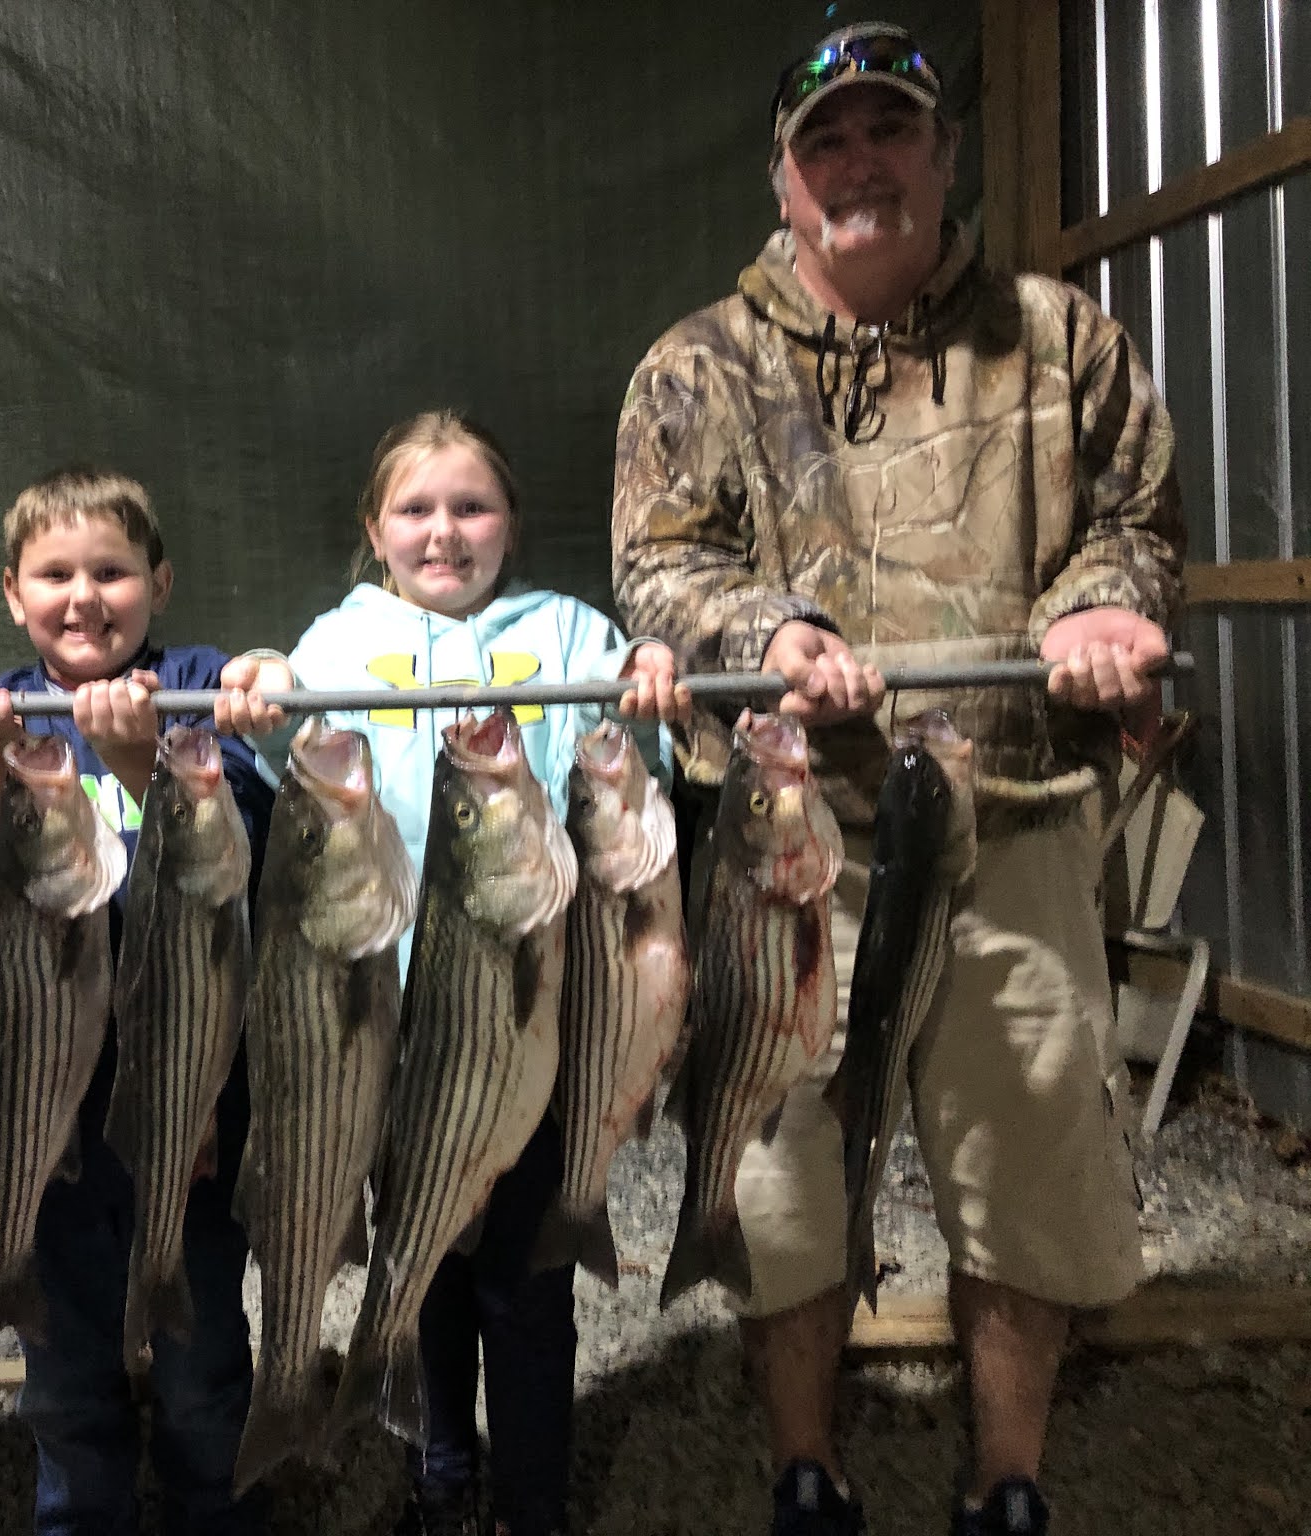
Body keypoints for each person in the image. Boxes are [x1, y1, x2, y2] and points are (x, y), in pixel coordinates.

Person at [610, 23, 1184, 1536]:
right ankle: (808, 1466)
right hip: (788, 847)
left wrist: (1101, 610)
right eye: (828, 140)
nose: (860, 162)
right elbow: (659, 567)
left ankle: (1007, 1478)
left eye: (890, 130)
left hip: (1017, 820)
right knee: (784, 1165)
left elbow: (1131, 523)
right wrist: (769, 629)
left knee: (1027, 1154)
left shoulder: (1061, 339)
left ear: (944, 154)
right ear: (782, 179)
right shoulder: (693, 365)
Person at [216, 409, 687, 1536]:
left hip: (528, 1017)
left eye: (470, 507)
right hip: (388, 1023)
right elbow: (281, 745)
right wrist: (261, 679)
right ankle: (437, 1461)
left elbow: (637, 758)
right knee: (419, 1252)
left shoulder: (570, 631)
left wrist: (647, 679)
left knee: (524, 1281)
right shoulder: (339, 640)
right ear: (374, 529)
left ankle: (530, 1497)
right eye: (415, 509)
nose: (443, 532)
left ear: (510, 522)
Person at [0, 466, 273, 1536]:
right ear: (11, 592)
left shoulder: (197, 685)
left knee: (202, 1353)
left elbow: (236, 845)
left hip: (190, 1090)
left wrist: (136, 753)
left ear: (158, 583)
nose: (84, 597)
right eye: (55, 575)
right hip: (44, 1096)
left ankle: (214, 1506)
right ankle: (79, 1514)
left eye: (111, 572)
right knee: (67, 1362)